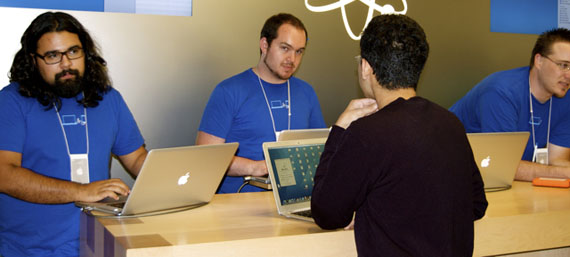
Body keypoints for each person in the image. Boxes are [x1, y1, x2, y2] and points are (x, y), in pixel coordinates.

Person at [311, 14, 487, 257]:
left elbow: (326, 213)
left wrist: (340, 129)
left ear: (365, 67)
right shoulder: (451, 123)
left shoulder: (367, 133)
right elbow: (476, 205)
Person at [0, 12, 147, 257]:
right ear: (33, 60)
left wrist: (180, 181)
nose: (66, 64)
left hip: (100, 243)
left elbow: (136, 159)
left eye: (73, 52)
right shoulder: (12, 101)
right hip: (30, 249)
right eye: (52, 56)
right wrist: (82, 191)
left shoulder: (109, 99)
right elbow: (4, 174)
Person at [196, 13, 326, 193]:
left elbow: (319, 152)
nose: (292, 59)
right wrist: (259, 167)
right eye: (285, 48)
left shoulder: (306, 93)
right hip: (237, 205)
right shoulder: (229, 91)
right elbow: (205, 156)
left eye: (299, 51)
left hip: (294, 201)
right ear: (264, 45)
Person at [450, 28, 570, 181]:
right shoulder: (501, 91)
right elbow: (501, 166)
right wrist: (563, 173)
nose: (568, 75)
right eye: (563, 65)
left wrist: (563, 172)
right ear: (539, 60)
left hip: (502, 180)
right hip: (454, 173)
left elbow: (557, 160)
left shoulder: (565, 97)